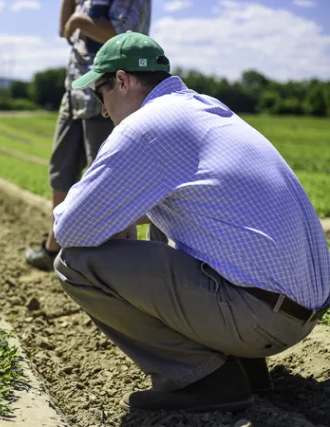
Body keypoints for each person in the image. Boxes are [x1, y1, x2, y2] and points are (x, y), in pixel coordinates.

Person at [52, 31, 330, 412]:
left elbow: (68, 230)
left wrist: (109, 215)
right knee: (174, 224)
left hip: (260, 319)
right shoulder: (206, 109)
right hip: (302, 311)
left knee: (75, 262)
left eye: (101, 93)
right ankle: (247, 370)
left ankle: (204, 379)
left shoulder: (145, 126)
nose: (103, 110)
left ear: (121, 81)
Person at [25, 0, 152, 271]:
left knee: (108, 176)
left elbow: (125, 36)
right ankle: (55, 245)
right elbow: (64, 30)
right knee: (62, 169)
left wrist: (81, 22)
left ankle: (115, 262)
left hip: (108, 94)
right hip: (74, 90)